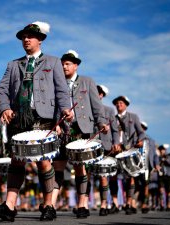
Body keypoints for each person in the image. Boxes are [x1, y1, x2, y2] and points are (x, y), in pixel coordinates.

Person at [0, 21, 74, 222]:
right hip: (18, 118)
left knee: (44, 163)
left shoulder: (53, 62)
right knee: (17, 161)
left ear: (40, 39)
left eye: (30, 36)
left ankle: (48, 204)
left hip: (43, 117)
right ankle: (9, 206)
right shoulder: (13, 64)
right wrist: (5, 108)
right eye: (23, 37)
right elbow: (1, 90)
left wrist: (64, 111)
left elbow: (62, 91)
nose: (26, 39)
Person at [51, 50, 109, 219]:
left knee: (80, 167)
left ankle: (82, 204)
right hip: (62, 130)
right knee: (58, 167)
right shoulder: (56, 83)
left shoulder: (87, 81)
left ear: (76, 65)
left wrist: (102, 123)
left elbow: (97, 106)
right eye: (62, 63)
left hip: (82, 129)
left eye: (68, 63)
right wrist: (56, 124)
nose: (64, 66)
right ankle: (51, 204)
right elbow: (54, 107)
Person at [113, 95, 145, 215]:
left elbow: (141, 133)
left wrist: (140, 141)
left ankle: (128, 202)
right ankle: (115, 203)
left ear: (126, 105)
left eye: (121, 103)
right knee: (113, 176)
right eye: (117, 103)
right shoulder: (113, 118)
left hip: (129, 150)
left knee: (130, 178)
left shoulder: (133, 117)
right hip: (116, 151)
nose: (119, 105)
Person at [94, 84, 120, 216]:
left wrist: (116, 143)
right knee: (96, 177)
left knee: (108, 177)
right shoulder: (87, 109)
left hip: (107, 148)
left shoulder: (109, 111)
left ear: (101, 95)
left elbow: (115, 130)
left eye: (98, 93)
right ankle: (85, 204)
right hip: (91, 148)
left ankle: (108, 203)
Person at [135, 121, 160, 213]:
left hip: (146, 166)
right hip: (135, 165)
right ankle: (132, 203)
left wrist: (156, 164)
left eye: (142, 127)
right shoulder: (134, 138)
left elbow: (155, 155)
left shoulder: (151, 141)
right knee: (136, 183)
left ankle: (144, 204)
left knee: (145, 184)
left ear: (145, 129)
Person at [158, 144, 170, 211]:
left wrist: (166, 160)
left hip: (168, 176)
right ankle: (162, 205)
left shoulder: (169, 156)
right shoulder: (158, 157)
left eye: (162, 150)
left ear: (165, 150)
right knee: (161, 190)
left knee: (169, 191)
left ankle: (168, 205)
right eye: (160, 150)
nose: (161, 151)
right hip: (161, 175)